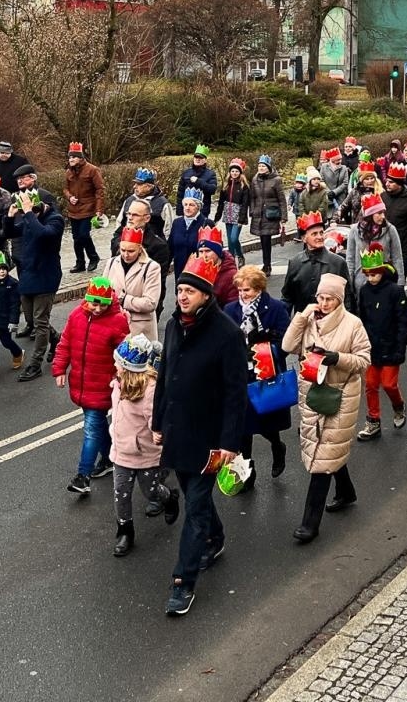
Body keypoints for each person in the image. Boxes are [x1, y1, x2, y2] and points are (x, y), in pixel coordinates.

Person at [151, 254, 249, 617]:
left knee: (194, 508)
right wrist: (158, 421)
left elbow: (235, 395)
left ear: (206, 294)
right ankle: (216, 538)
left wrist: (229, 444)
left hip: (209, 439)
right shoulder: (174, 325)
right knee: (197, 500)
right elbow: (165, 376)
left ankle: (183, 582)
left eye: (190, 290)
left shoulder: (227, 335)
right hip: (178, 431)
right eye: (179, 289)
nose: (182, 296)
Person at [284, 272, 371, 544]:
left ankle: (310, 523)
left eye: (329, 299)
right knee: (328, 450)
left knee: (323, 458)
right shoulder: (308, 320)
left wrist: (337, 358)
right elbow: (287, 346)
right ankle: (346, 492)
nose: (323, 303)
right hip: (311, 393)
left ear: (339, 300)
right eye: (320, 298)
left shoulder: (353, 324)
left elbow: (363, 360)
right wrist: (300, 317)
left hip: (339, 394)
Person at [53, 276, 130, 494]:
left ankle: (83, 476)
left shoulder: (117, 321)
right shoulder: (76, 315)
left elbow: (123, 355)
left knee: (90, 429)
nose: (97, 308)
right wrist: (59, 369)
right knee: (96, 428)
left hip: (103, 385)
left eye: (101, 304)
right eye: (93, 303)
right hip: (81, 382)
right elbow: (65, 342)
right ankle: (108, 459)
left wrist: (119, 378)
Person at [109, 334, 176, 557]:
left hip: (144, 454)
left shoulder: (149, 391)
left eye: (118, 363)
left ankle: (169, 497)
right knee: (121, 493)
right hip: (121, 451)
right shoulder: (117, 384)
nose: (114, 366)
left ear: (129, 367)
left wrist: (158, 433)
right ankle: (125, 531)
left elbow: (156, 419)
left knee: (150, 491)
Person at [222, 265, 292, 479]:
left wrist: (265, 351)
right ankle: (247, 475)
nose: (243, 295)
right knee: (242, 428)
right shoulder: (230, 310)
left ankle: (277, 446)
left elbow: (286, 342)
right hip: (239, 375)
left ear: (259, 289)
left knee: (266, 422)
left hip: (265, 372)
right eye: (241, 290)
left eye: (248, 290)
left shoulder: (276, 308)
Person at [354, 244, 407, 441]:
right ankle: (373, 421)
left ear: (382, 272)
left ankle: (398, 405)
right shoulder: (364, 291)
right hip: (371, 348)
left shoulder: (395, 292)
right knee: (370, 385)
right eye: (367, 275)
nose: (371, 279)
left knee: (389, 384)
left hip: (390, 346)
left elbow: (404, 321)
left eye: (374, 275)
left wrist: (400, 347)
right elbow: (362, 318)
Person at [12, 187, 66, 382]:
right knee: (32, 319)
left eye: (33, 210)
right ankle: (56, 338)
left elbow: (43, 234)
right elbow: (11, 232)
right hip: (28, 274)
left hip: (46, 275)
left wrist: (28, 213)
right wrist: (10, 217)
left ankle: (35, 364)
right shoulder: (28, 217)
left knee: (40, 322)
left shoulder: (56, 219)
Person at [281, 211, 353, 313]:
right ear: (304, 238)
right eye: (314, 234)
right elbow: (287, 298)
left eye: (321, 232)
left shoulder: (338, 263)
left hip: (332, 324)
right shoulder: (295, 263)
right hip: (305, 323)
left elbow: (348, 298)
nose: (319, 237)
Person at [109, 227, 163, 341]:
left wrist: (124, 300)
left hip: (140, 330)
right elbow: (105, 291)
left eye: (131, 251)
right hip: (114, 325)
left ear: (140, 249)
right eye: (123, 250)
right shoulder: (112, 263)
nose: (126, 255)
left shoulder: (151, 267)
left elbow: (150, 303)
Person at [63, 141, 106, 273]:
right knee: (76, 238)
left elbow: (100, 190)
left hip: (88, 208)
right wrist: (70, 197)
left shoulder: (92, 170)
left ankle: (93, 257)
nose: (71, 159)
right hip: (73, 209)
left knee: (83, 235)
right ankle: (80, 262)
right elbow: (65, 188)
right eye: (70, 157)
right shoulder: (68, 172)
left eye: (74, 157)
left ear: (81, 158)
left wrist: (99, 210)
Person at [249, 156, 289, 275]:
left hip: (270, 214)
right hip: (258, 214)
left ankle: (267, 265)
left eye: (263, 166)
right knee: (262, 240)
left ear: (268, 168)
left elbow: (281, 199)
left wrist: (284, 216)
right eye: (259, 166)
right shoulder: (255, 179)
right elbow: (252, 197)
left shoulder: (276, 180)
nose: (261, 168)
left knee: (266, 240)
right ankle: (266, 264)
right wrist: (252, 210)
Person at [218, 159, 252, 264]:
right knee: (229, 240)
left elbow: (245, 203)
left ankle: (240, 255)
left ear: (240, 173)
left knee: (234, 238)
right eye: (232, 171)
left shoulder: (244, 186)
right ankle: (231, 260)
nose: (234, 173)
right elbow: (220, 202)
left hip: (238, 214)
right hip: (228, 213)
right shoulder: (226, 184)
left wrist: (242, 218)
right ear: (230, 172)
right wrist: (217, 216)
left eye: (237, 171)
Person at [177, 144, 219, 221]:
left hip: (202, 211)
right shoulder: (186, 173)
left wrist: (198, 181)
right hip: (187, 210)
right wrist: (179, 211)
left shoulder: (210, 174)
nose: (198, 159)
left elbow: (212, 189)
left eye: (200, 157)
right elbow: (180, 193)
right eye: (196, 157)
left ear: (205, 160)